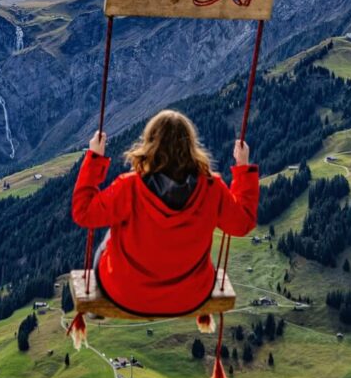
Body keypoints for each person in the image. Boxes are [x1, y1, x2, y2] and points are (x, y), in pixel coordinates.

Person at [72, 109, 259, 317]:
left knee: (108, 239)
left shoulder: (129, 187)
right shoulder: (212, 188)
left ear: (150, 144)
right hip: (190, 295)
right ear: (190, 146)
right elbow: (242, 224)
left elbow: (83, 212)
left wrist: (95, 158)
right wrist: (243, 168)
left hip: (126, 294)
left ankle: (98, 311)